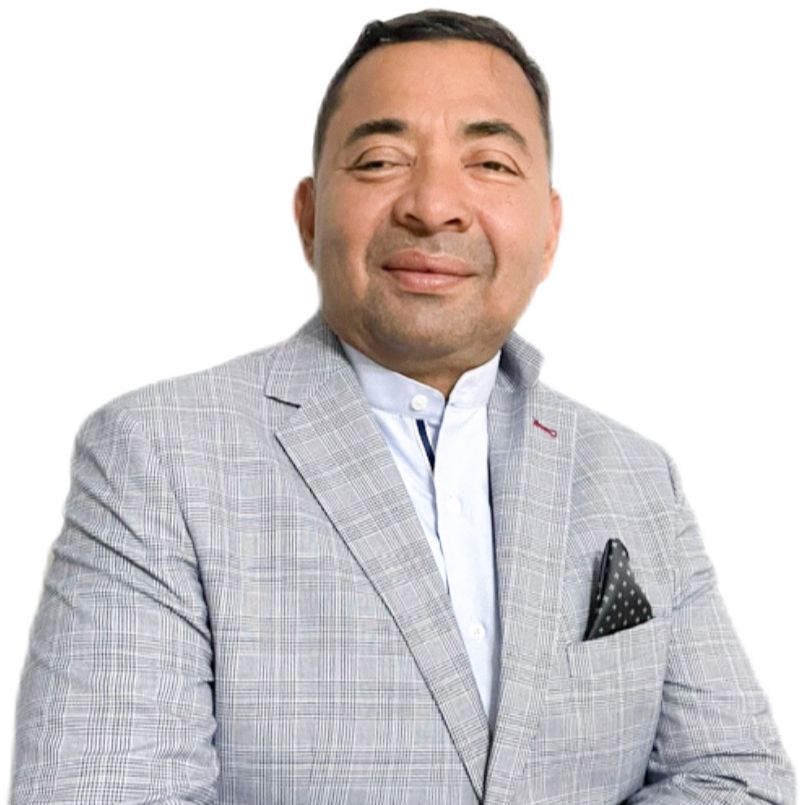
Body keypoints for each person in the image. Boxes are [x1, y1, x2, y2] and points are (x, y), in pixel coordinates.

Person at [10, 9, 795, 804]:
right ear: (309, 216)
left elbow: (739, 777)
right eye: (382, 160)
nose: (435, 205)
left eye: (490, 163)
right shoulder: (159, 457)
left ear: (549, 232)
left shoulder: (636, 475)